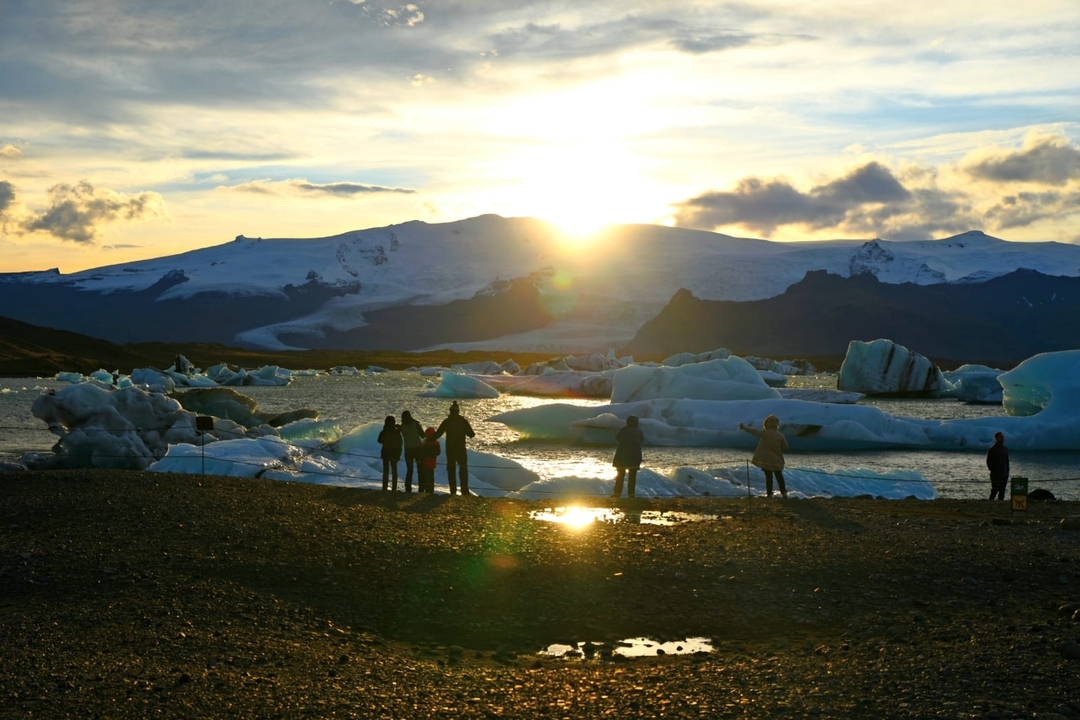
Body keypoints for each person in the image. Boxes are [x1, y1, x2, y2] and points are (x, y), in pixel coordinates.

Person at [740, 414, 789, 498]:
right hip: (777, 460)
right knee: (779, 476)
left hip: (766, 460)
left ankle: (769, 494)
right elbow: (785, 447)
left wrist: (745, 428)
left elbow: (754, 431)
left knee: (768, 477)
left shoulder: (764, 433)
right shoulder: (780, 435)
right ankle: (784, 493)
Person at [432, 402, 475, 495]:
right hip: (461, 449)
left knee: (451, 470)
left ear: (450, 411)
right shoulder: (463, 421)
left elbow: (438, 434)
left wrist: (428, 439)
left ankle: (453, 491)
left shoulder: (446, 422)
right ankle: (464, 490)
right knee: (463, 469)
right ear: (458, 411)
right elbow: (471, 434)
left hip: (450, 450)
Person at [611, 415, 645, 499]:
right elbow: (642, 440)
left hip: (621, 457)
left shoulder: (623, 430)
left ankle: (617, 494)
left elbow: (618, 437)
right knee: (632, 477)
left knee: (620, 476)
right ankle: (631, 495)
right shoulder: (639, 431)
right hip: (634, 457)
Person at [399, 410, 425, 494]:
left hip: (408, 449)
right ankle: (421, 487)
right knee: (420, 469)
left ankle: (408, 487)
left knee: (409, 469)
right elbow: (422, 435)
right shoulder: (415, 424)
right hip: (418, 448)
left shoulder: (401, 427)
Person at [377, 415, 403, 492]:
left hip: (386, 451)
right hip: (394, 452)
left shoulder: (384, 431)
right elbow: (400, 443)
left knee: (386, 471)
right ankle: (394, 488)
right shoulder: (397, 432)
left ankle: (384, 487)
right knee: (394, 470)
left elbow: (379, 441)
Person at [986, 431, 1009, 500]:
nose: (1002, 439)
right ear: (996, 438)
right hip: (995, 474)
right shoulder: (992, 449)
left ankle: (1000, 504)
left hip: (1004, 473)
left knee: (1002, 491)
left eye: (1002, 437)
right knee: (994, 490)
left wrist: (1007, 470)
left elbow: (1007, 461)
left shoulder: (1005, 449)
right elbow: (988, 461)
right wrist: (993, 470)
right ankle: (990, 503)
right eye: (1000, 437)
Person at [420, 427, 441, 494]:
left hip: (425, 461)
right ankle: (431, 490)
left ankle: (427, 489)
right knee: (431, 476)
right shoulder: (436, 443)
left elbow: (422, 452)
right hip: (433, 461)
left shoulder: (425, 443)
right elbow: (438, 452)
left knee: (426, 476)